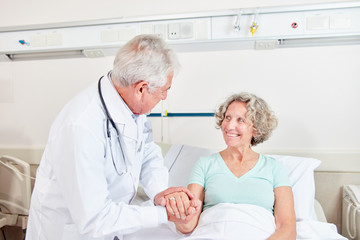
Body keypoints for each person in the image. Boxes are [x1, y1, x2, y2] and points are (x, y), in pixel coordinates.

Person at [25, 34, 199, 240]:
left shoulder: (134, 109)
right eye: (164, 90)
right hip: (69, 232)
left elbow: (147, 153)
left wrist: (162, 193)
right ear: (141, 88)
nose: (164, 97)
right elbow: (95, 219)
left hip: (110, 226)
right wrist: (163, 214)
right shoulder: (80, 127)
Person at [165, 92, 297, 239]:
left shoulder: (274, 168)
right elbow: (188, 225)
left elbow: (288, 228)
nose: (229, 125)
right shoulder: (205, 164)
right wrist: (177, 212)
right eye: (227, 117)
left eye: (240, 120)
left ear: (256, 128)